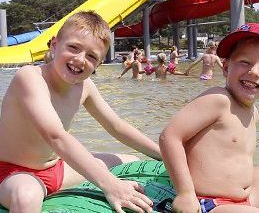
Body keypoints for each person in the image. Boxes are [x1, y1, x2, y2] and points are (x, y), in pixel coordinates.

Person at [0, 11, 161, 213]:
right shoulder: (30, 77)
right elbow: (55, 136)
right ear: (54, 44)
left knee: (131, 162)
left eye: (92, 56)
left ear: (99, 64)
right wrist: (111, 186)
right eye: (73, 47)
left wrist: (163, 155)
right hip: (13, 172)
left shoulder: (85, 86)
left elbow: (117, 126)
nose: (80, 59)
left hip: (57, 169)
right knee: (26, 197)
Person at [159, 23, 259, 213]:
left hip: (248, 198)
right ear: (225, 68)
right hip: (211, 203)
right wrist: (185, 193)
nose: (254, 71)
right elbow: (170, 136)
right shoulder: (219, 99)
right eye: (245, 62)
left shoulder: (253, 112)